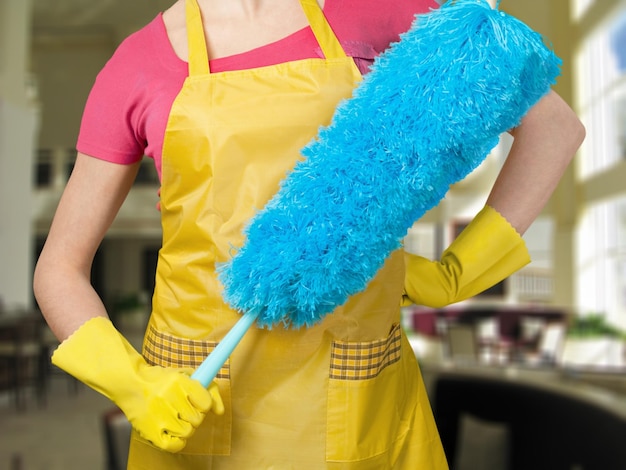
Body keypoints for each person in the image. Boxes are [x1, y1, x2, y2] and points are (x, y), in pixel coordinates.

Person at [33, 0, 585, 468]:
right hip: (191, 396)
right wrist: (129, 382)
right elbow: (59, 268)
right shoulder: (137, 63)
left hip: (357, 395)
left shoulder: (376, 12)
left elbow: (553, 128)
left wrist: (456, 272)